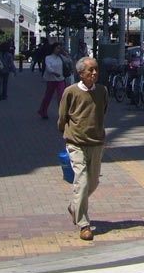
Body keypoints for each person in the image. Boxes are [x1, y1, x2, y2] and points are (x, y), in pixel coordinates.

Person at [58, 56, 107, 242]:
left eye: (96, 70)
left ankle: (74, 206)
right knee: (82, 182)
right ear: (80, 73)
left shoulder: (102, 91)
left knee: (93, 183)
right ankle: (83, 223)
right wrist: (66, 133)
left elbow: (103, 111)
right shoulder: (70, 92)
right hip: (75, 143)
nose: (94, 73)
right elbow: (62, 116)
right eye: (90, 70)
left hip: (96, 142)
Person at [38, 43, 67, 119]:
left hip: (61, 79)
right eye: (57, 48)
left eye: (60, 48)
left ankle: (62, 113)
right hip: (51, 80)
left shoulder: (61, 57)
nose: (59, 50)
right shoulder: (48, 58)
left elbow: (69, 62)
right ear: (53, 49)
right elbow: (48, 68)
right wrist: (54, 73)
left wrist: (65, 53)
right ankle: (43, 111)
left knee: (61, 96)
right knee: (48, 96)